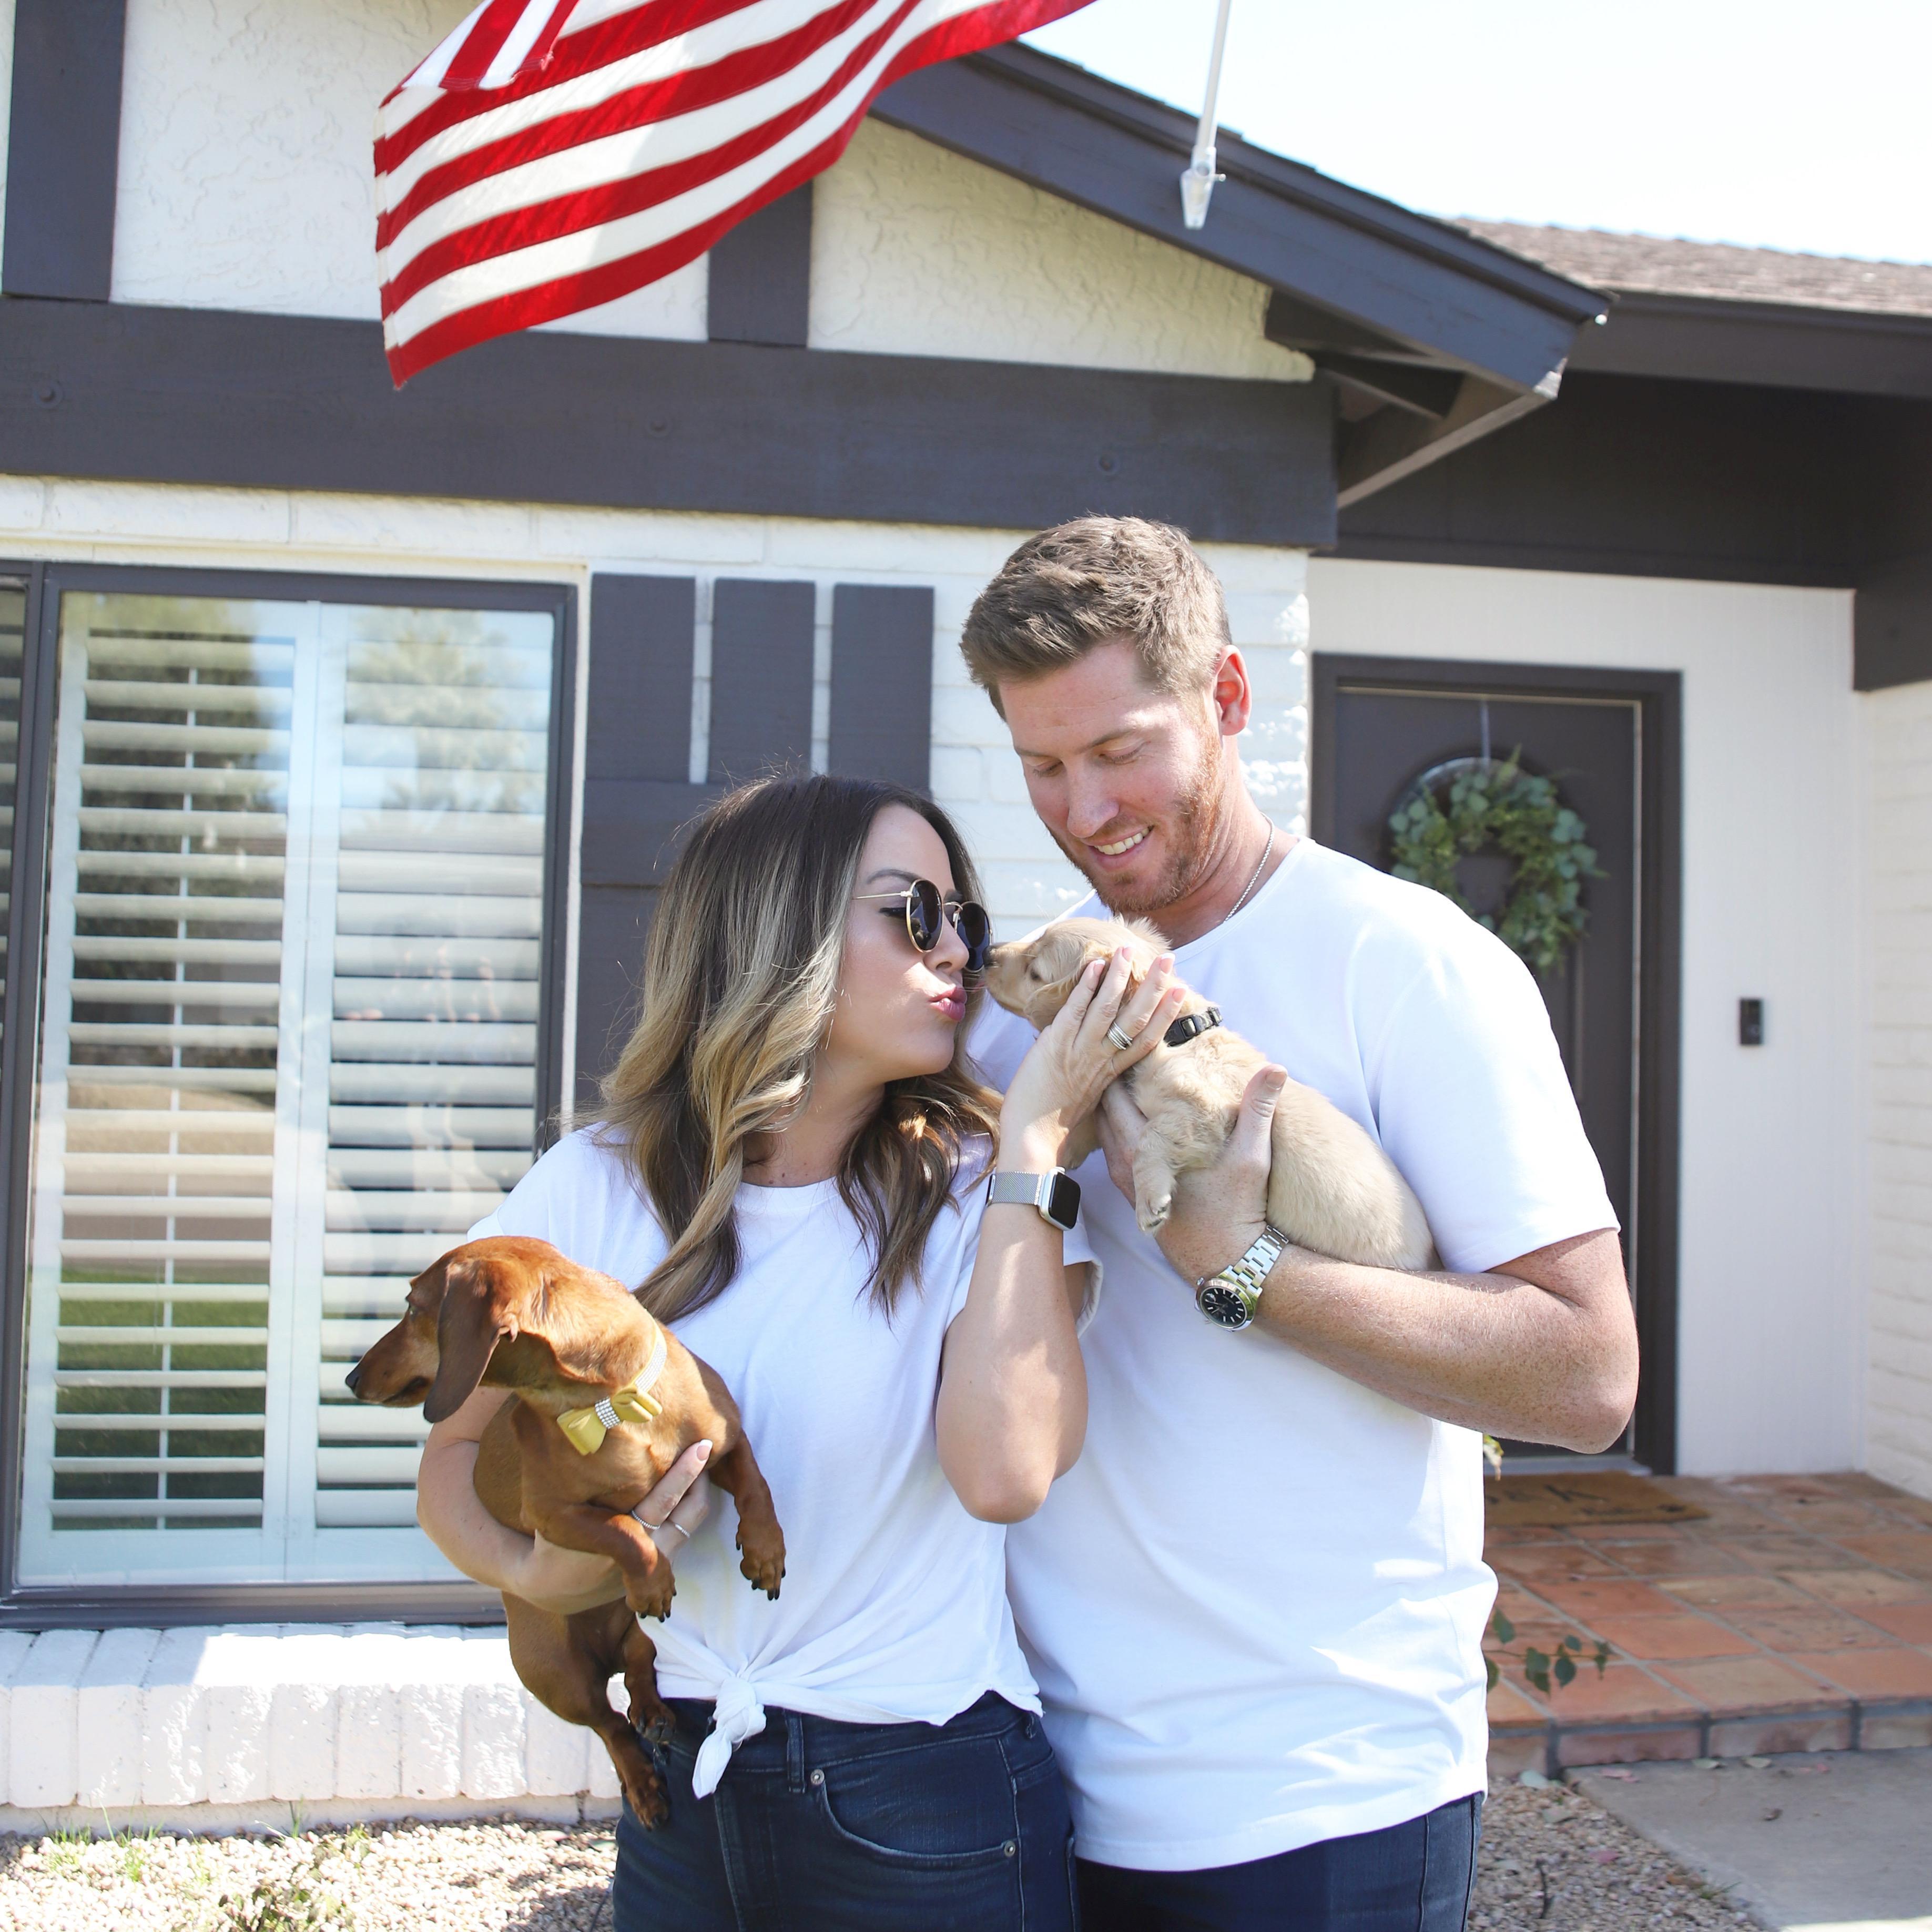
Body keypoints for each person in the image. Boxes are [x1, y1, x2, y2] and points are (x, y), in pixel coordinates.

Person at [961, 517, 1640, 1932]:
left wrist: (1245, 1269)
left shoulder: (1409, 966)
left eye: (1118, 749)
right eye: (1042, 765)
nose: (1085, 810)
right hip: (1035, 1774)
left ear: (1225, 699)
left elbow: (1587, 1377)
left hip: (1319, 1795)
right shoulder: (1017, 1007)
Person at [415, 773, 1187, 1932]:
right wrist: (539, 1573)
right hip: (683, 1782)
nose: (961, 951)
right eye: (912, 912)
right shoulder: (594, 1184)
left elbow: (1006, 1472)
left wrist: (1035, 1141)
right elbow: (449, 1456)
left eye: (961, 916)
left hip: (926, 1790)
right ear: (774, 932)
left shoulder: (984, 1187)